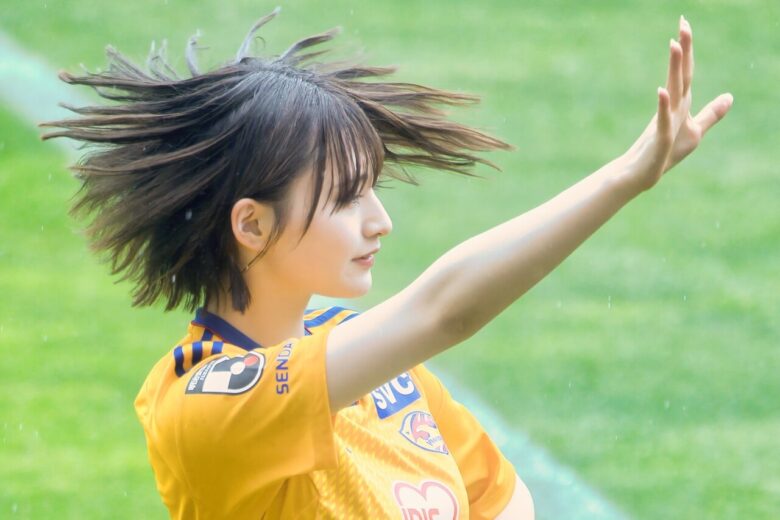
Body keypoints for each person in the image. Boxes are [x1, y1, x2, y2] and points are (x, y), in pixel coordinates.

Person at [40, 8, 731, 519]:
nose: (380, 220)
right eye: (346, 197)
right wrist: (622, 179)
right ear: (251, 224)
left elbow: (500, 501)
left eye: (373, 189)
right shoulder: (207, 406)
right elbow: (444, 311)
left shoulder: (379, 367)